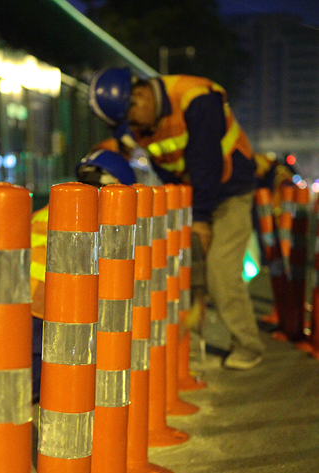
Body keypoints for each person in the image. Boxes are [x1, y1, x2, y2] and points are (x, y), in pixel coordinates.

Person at [89, 67, 264, 370]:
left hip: (230, 191)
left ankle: (248, 344)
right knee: (183, 273)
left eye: (131, 120)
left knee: (220, 271)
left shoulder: (197, 100)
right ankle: (188, 347)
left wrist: (200, 218)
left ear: (141, 95)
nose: (132, 129)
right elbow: (132, 152)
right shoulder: (133, 118)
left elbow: (205, 163)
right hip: (188, 194)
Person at [30, 149, 136, 401]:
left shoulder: (54, 205)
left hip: (23, 297)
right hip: (47, 303)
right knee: (50, 377)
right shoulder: (98, 213)